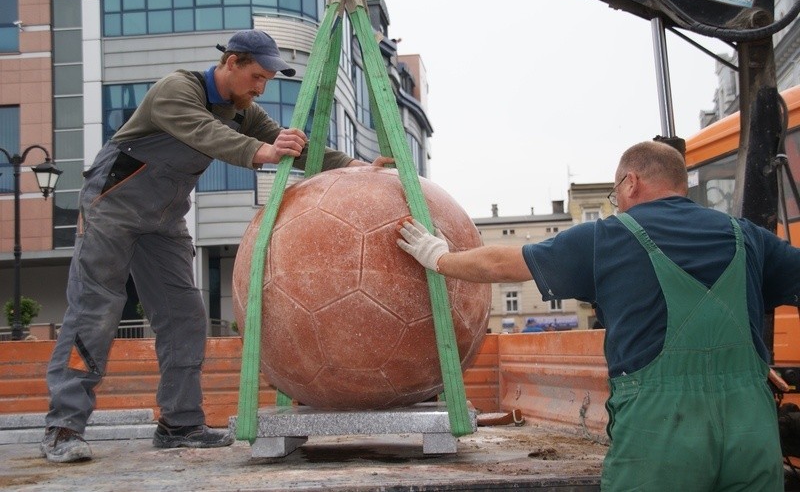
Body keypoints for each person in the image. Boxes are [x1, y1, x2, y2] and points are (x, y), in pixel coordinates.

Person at [42, 29, 391, 463]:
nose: (260, 87)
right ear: (231, 63)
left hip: (164, 219)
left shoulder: (243, 111)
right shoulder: (177, 89)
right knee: (96, 310)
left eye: (267, 80)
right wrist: (264, 152)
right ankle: (63, 428)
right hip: (113, 205)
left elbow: (297, 149)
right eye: (257, 76)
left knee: (184, 316)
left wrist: (357, 166)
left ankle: (179, 423)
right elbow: (209, 135)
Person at [397, 141, 800, 491]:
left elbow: (505, 263)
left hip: (662, 435)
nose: (618, 203)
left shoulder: (607, 237)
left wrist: (439, 256)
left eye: (615, 193)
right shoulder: (745, 235)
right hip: (752, 433)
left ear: (630, 182)